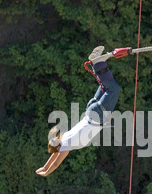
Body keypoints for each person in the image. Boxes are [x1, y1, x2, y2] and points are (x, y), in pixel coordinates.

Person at [35, 46, 121, 177]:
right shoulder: (65, 137)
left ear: (58, 148)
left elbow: (56, 162)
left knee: (114, 90)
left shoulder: (65, 144)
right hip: (90, 111)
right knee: (105, 87)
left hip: (97, 115)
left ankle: (97, 62)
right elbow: (54, 155)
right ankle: (96, 63)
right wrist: (43, 167)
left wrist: (46, 172)